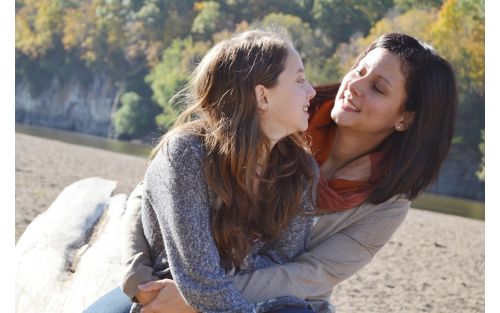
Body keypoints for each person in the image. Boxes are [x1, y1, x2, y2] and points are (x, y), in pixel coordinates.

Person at [88, 32, 457, 313]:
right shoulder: (275, 112)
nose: (354, 86)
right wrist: (136, 269)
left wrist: (199, 295)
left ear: (405, 118)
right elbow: (156, 189)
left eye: (377, 87)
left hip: (281, 299)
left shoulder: (386, 203)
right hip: (182, 272)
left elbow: (308, 274)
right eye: (359, 70)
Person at [84, 28, 319, 313]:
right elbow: (200, 282)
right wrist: (232, 274)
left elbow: (283, 260)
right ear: (262, 96)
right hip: (164, 295)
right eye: (299, 80)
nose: (311, 91)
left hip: (227, 298)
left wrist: (226, 271)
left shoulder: (301, 169)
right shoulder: (186, 155)